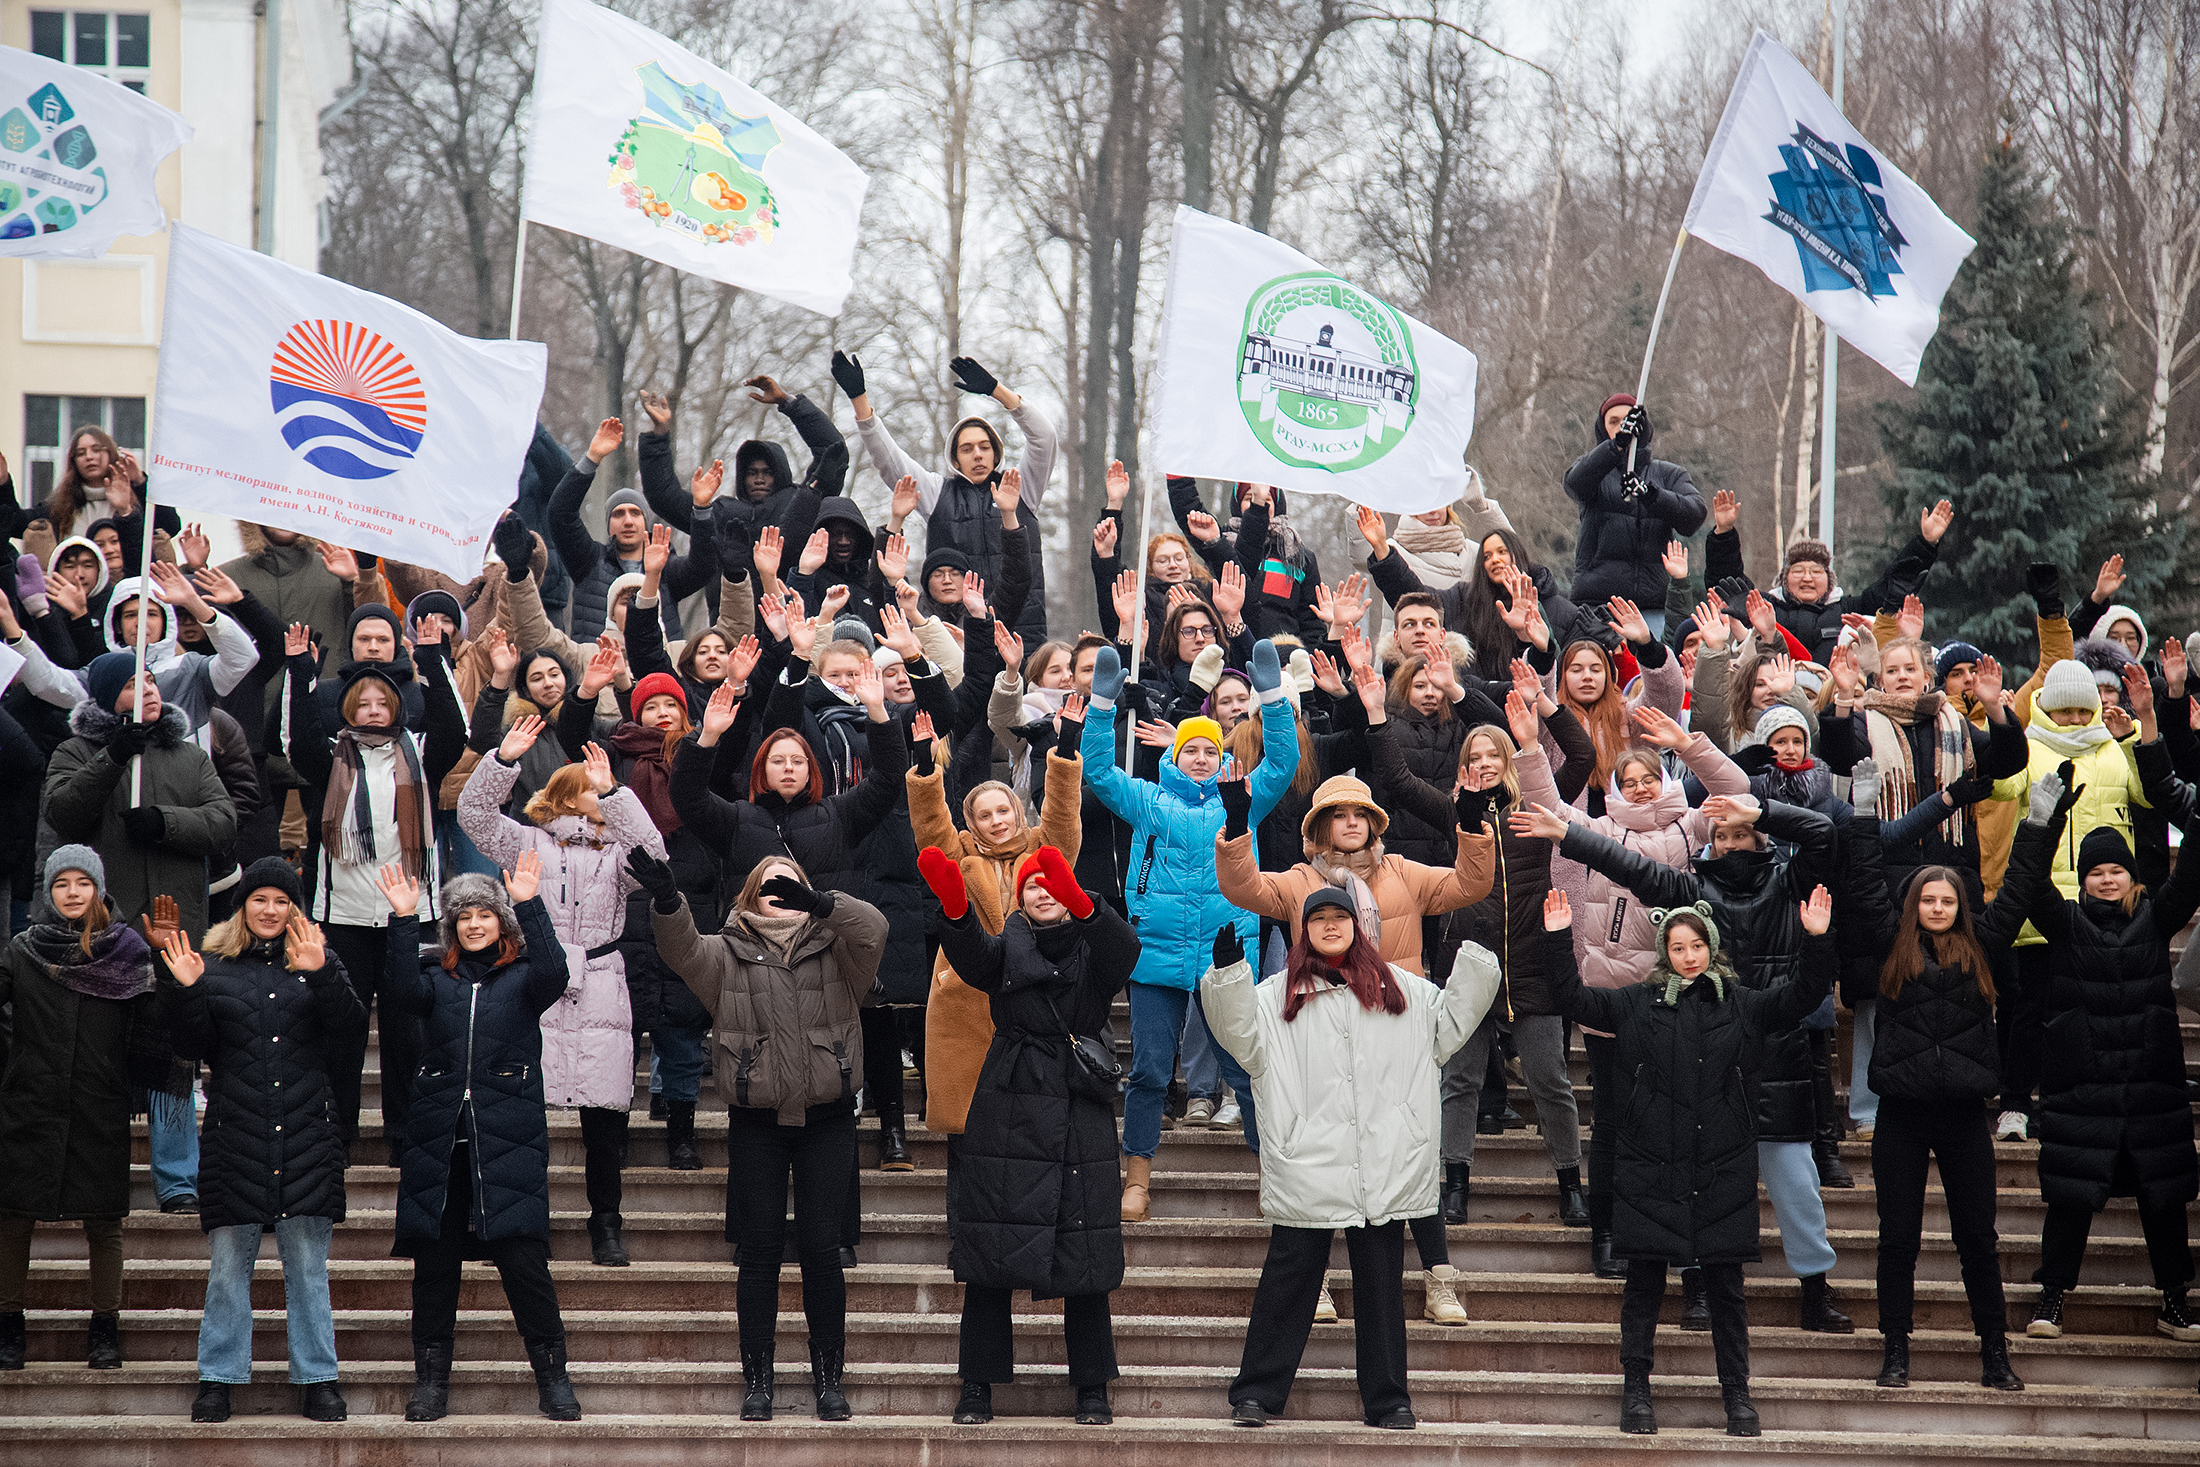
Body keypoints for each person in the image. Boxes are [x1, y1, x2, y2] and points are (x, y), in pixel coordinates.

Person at [1520, 788, 1852, 1333]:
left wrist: (1759, 808)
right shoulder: (1692, 890)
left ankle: (1815, 1289)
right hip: (1707, 1065)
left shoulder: (1790, 881)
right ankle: (1696, 1286)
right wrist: (1570, 837)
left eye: (1738, 833)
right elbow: (1628, 864)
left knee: (1797, 1187)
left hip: (1776, 1061)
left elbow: (1823, 832)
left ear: (1757, 836)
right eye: (1719, 836)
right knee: (1700, 1184)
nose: (1728, 842)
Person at [1543, 885, 1835, 1437]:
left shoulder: (1743, 1005)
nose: (1689, 956)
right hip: (1650, 1166)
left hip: (1721, 1165)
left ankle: (1738, 1396)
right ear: (1664, 954)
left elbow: (1802, 995)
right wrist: (1559, 940)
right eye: (1677, 948)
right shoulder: (1633, 1004)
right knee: (1644, 1287)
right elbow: (1574, 998)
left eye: (1696, 945)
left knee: (1726, 1290)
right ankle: (1636, 1393)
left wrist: (1817, 941)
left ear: (1711, 947)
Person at [1204, 891, 1500, 1429]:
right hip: (1307, 1158)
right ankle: (1256, 1393)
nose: (1330, 925)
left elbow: (1452, 1026)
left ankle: (1389, 1400)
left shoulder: (1402, 990)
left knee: (1383, 1282)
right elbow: (1239, 1038)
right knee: (1289, 1278)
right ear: (1304, 930)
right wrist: (1228, 978)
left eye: (1340, 916)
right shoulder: (1275, 996)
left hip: (1382, 1159)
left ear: (1358, 925)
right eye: (1318, 918)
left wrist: (1477, 959)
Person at [636, 849, 888, 1423]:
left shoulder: (840, 946)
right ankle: (759, 1380)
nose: (780, 894)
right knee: (759, 1254)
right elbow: (681, 950)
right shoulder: (726, 954)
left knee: (824, 1252)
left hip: (827, 1119)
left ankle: (829, 1379)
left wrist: (824, 905)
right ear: (749, 896)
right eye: (769, 886)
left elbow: (876, 927)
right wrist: (670, 902)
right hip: (757, 1123)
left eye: (791, 885)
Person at [919, 844, 1137, 1427]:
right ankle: (977, 1387)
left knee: (1085, 1256)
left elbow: (1125, 951)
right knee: (991, 1251)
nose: (1041, 893)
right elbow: (970, 957)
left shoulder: (1093, 952)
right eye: (1032, 886)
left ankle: (1092, 1388)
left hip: (1077, 1109)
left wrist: (1086, 903)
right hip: (1008, 1105)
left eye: (1051, 885)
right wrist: (956, 908)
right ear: (1019, 898)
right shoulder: (1006, 948)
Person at [1081, 641, 1300, 1217]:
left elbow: (1281, 764)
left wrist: (1273, 698)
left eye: (1210, 748)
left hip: (1226, 960)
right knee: (1151, 1071)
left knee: (1244, 1070)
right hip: (1154, 955)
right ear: (1175, 756)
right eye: (1190, 749)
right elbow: (1099, 772)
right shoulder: (1149, 801)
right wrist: (1102, 705)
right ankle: (1137, 1179)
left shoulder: (1241, 801)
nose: (1201, 757)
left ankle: (1270, 1173)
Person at [1363, 679, 1585, 1243]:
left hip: (1535, 961)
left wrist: (1545, 711)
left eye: (1493, 755)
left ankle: (1571, 1184)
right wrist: (1373, 713)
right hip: (1469, 962)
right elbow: (1397, 781)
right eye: (1474, 756)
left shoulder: (1537, 808)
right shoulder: (1458, 815)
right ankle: (1454, 1182)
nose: (1484, 763)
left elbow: (1582, 754)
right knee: (1458, 1079)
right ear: (1462, 767)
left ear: (1509, 762)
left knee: (1549, 1079)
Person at [158, 859, 365, 1422]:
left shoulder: (320, 961)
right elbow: (192, 1043)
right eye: (259, 899)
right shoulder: (215, 967)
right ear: (243, 906)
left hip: (307, 1138)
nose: (270, 910)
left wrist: (322, 972)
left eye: (281, 900)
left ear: (296, 908)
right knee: (228, 1271)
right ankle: (217, 1379)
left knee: (307, 1271)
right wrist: (183, 990)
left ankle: (319, 1379)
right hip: (235, 1140)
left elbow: (350, 1033)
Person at [378, 855, 582, 1423]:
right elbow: (397, 993)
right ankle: (430, 1384)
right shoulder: (433, 978)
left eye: (485, 914)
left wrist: (530, 903)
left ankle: (553, 1378)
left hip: (506, 1141)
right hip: (440, 1143)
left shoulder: (522, 978)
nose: (473, 924)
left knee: (524, 1264)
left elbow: (555, 974)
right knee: (435, 1269)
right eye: (463, 915)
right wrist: (402, 920)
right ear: (450, 926)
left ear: (501, 923)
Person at [1844, 810, 2040, 1393]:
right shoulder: (1890, 943)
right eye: (1927, 899)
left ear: (1959, 906)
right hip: (1900, 1116)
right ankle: (1896, 1350)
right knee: (1897, 1238)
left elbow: (2023, 884)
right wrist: (1860, 815)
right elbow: (1862, 879)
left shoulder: (1982, 943)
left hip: (1962, 1116)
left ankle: (1995, 1354)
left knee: (1977, 1239)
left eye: (1946, 900)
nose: (1936, 907)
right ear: (1914, 905)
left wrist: (2039, 826)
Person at [2009, 750, 2200, 1346]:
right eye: (2096, 872)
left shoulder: (2156, 917)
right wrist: (2043, 824)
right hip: (2082, 1089)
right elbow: (2028, 886)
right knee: (2068, 1204)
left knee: (2163, 1202)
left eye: (2117, 869)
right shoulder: (2064, 923)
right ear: (2085, 880)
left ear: (2133, 877)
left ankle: (2175, 1302)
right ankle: (2051, 1298)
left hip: (2150, 1089)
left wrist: (2174, 786)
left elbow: (2191, 873)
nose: (2107, 878)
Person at [459, 727, 668, 1267]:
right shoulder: (526, 840)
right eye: (591, 788)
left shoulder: (617, 851)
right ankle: (514, 1221)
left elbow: (654, 856)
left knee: (603, 1119)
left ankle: (606, 1223)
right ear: (565, 793)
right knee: (520, 1114)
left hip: (600, 981)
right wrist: (502, 759)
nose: (598, 793)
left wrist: (619, 794)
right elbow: (475, 815)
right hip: (534, 980)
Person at [285, 624, 466, 1162]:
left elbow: (455, 729)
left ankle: (403, 1134)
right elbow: (294, 740)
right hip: (341, 914)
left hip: (407, 914)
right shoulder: (329, 757)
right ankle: (336, 1135)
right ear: (346, 709)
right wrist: (299, 671)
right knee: (341, 1029)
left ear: (396, 707)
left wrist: (432, 657)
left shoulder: (421, 753)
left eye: (379, 701)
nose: (370, 709)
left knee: (406, 1031)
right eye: (359, 703)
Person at [0, 847, 158, 1372]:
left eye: (82, 883)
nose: (72, 892)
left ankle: (105, 1329)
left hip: (99, 1100)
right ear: (47, 892)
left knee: (104, 1221)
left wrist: (169, 969)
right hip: (31, 1101)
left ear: (99, 889)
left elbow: (153, 1026)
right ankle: (8, 1327)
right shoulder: (23, 949)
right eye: (61, 883)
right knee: (14, 1216)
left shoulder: (128, 949)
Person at [907, 710, 1083, 1140]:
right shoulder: (960, 851)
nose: (997, 821)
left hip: (1034, 992)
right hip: (965, 994)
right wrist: (926, 766)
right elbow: (931, 829)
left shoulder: (1045, 848)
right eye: (984, 816)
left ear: (1018, 810)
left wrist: (1065, 749)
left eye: (1003, 810)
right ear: (972, 823)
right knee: (967, 1127)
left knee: (1026, 1127)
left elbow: (1062, 814)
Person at [841, 350, 1056, 641]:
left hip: (1021, 633)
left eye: (984, 447)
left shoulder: (1019, 487)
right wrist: (860, 403)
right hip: (956, 636)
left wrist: (997, 392)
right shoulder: (937, 493)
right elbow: (890, 461)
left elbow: (1044, 437)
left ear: (996, 452)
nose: (977, 455)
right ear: (954, 459)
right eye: (967, 449)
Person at [1562, 397, 1708, 620]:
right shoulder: (1592, 470)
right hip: (1597, 604)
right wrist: (1615, 446)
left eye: (1629, 420)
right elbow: (1575, 485)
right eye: (1614, 421)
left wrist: (1652, 495)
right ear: (1603, 429)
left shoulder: (1669, 474)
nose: (1623, 426)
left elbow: (1694, 515)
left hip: (1654, 605)